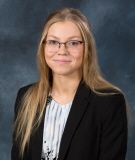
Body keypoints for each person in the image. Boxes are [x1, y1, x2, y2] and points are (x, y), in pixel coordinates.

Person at [11, 7, 128, 160]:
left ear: (87, 49)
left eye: (73, 43)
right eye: (53, 42)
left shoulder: (109, 102)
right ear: (43, 46)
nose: (62, 50)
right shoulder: (26, 97)